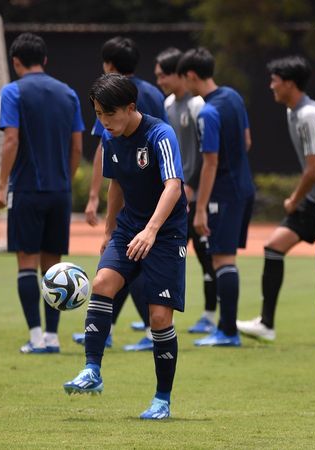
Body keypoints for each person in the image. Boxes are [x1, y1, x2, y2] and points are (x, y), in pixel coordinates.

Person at [63, 73, 187, 421]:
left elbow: (173, 186)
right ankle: (92, 370)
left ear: (131, 108)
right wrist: (108, 231)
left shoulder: (159, 135)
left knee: (159, 318)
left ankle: (162, 400)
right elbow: (115, 183)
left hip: (165, 233)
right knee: (102, 284)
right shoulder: (109, 135)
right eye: (99, 113)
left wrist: (151, 230)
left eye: (110, 114)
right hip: (129, 226)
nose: (104, 122)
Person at [75, 36, 169, 352]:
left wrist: (93, 198)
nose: (105, 120)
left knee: (135, 260)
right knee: (124, 263)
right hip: (147, 191)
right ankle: (110, 327)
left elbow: (104, 150)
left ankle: (129, 327)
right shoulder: (154, 93)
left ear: (109, 65)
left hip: (144, 199)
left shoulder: (108, 94)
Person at [0, 33, 84, 354]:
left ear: (16, 62)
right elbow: (77, 146)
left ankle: (34, 336)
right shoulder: (69, 94)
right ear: (45, 60)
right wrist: (65, 179)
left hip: (27, 190)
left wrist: (2, 184)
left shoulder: (13, 91)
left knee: (26, 264)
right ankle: (53, 337)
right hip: (59, 191)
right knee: (54, 267)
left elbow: (11, 141)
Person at [236, 56, 315, 342]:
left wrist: (294, 199)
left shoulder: (309, 114)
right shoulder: (292, 111)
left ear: (289, 83)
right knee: (273, 247)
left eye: (275, 80)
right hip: (314, 201)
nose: (271, 85)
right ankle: (266, 324)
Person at [178, 48, 254, 348]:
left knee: (223, 259)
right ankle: (226, 328)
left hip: (222, 194)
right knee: (226, 258)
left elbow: (209, 162)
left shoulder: (206, 111)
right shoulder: (233, 97)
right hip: (244, 187)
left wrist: (199, 210)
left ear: (192, 76)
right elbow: (246, 141)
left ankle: (227, 331)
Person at [153, 47, 217, 335]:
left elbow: (206, 153)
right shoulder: (168, 104)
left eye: (163, 75)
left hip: (192, 190)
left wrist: (191, 186)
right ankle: (156, 315)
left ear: (180, 75)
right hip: (176, 189)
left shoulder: (198, 105)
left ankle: (210, 314)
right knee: (169, 251)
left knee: (205, 252)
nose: (160, 81)